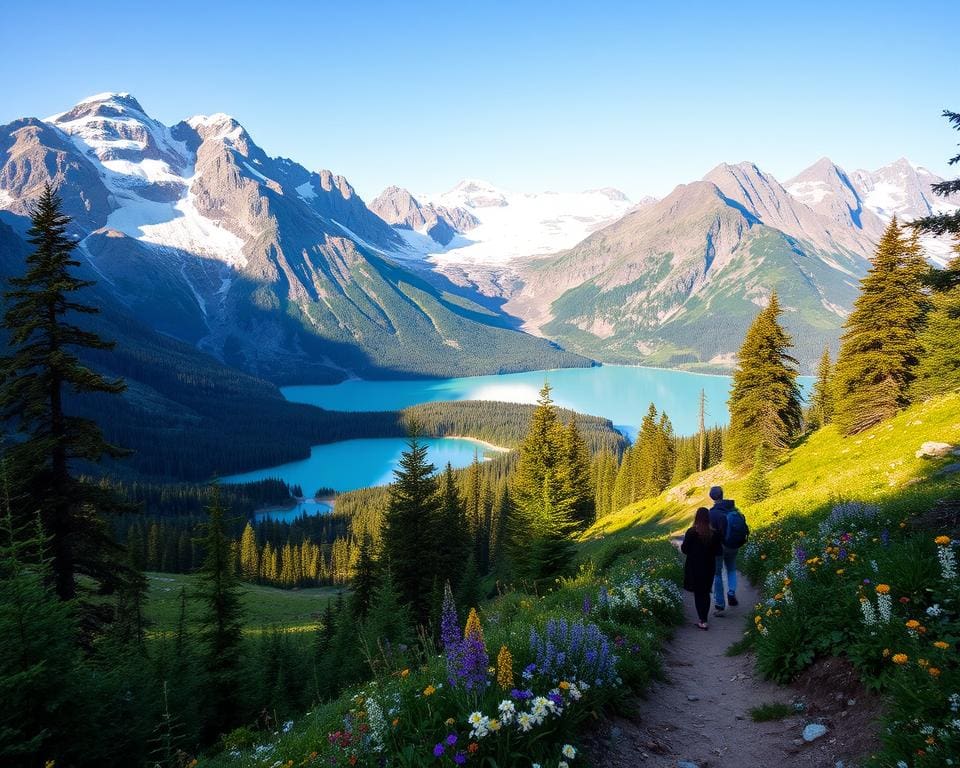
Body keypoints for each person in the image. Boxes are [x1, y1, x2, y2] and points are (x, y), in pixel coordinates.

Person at [681, 507, 722, 630]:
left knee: (698, 594)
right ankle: (704, 618)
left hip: (694, 567)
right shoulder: (714, 534)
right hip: (709, 567)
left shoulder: (692, 532)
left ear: (696, 518)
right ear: (708, 518)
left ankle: (702, 620)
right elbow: (718, 552)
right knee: (705, 592)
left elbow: (684, 550)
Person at [708, 486, 748, 613]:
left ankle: (720, 604)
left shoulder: (712, 513)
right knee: (731, 569)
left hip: (718, 548)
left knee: (717, 574)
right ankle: (731, 592)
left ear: (712, 497)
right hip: (732, 545)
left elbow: (710, 533)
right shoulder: (733, 509)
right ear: (722, 495)